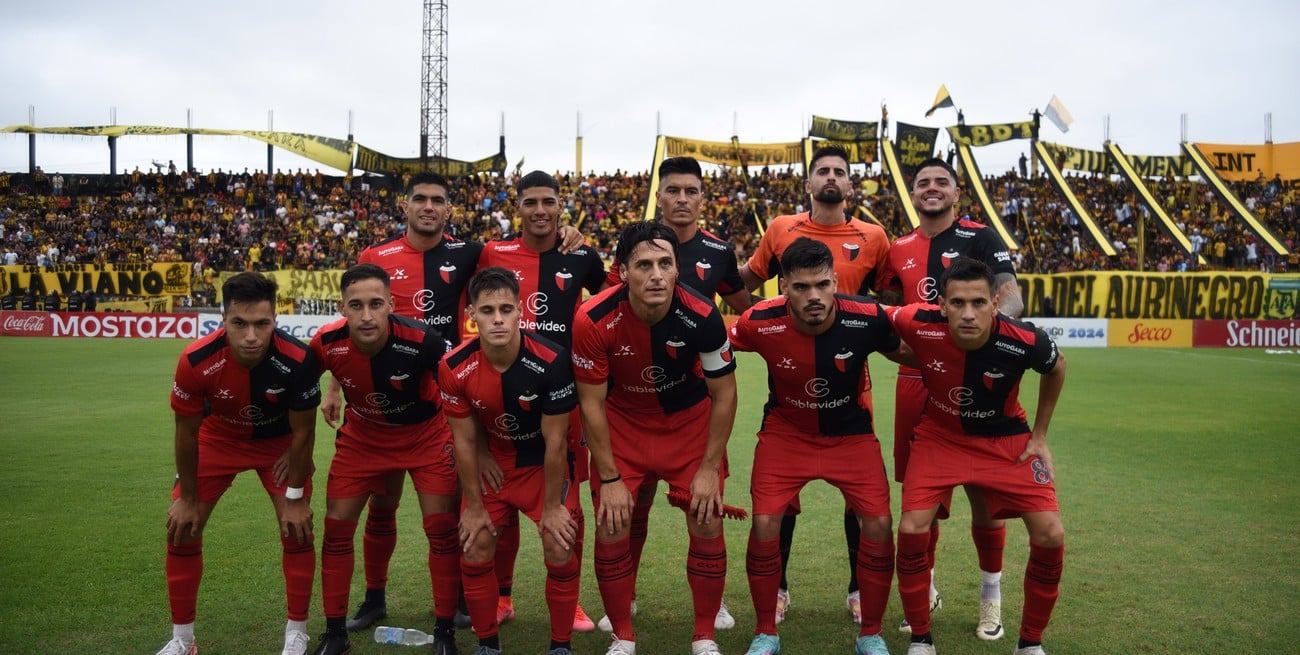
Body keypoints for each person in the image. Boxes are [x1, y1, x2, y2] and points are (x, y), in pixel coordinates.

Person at [326, 172, 584, 633]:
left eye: (437, 200)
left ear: (449, 210)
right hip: (382, 405)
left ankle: (468, 601)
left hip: (444, 397)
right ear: (405, 206)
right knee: (383, 505)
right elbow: (354, 319)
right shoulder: (374, 256)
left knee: (455, 512)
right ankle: (375, 597)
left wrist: (565, 233)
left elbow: (526, 252)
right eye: (419, 199)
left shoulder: (471, 253)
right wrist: (333, 384)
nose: (428, 206)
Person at [729, 237, 913, 655]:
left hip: (851, 436)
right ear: (784, 287)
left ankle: (871, 634)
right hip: (786, 434)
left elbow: (909, 353)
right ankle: (765, 633)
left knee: (879, 525)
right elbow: (712, 344)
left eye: (822, 284)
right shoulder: (760, 320)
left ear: (834, 281)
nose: (814, 296)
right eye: (801, 287)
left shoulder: (867, 317)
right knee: (765, 523)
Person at [596, 156, 751, 634]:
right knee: (630, 506)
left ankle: (712, 602)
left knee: (704, 508)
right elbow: (611, 309)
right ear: (659, 196)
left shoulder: (718, 252)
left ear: (702, 198)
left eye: (691, 191)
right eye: (673, 190)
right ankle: (625, 595)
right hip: (631, 404)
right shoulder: (634, 245)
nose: (682, 199)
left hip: (692, 405)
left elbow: (744, 307)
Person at [738, 145, 891, 624]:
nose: (830, 177)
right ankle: (778, 588)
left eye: (839, 171)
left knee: (860, 497)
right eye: (822, 170)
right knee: (780, 499)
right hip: (792, 377)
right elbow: (745, 281)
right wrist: (763, 323)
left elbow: (890, 299)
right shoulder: (781, 228)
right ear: (808, 182)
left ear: (850, 183)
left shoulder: (873, 236)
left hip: (852, 382)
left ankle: (858, 589)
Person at [572, 221, 738, 655]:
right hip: (623, 426)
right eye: (644, 265)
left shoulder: (703, 315)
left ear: (678, 268)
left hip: (688, 427)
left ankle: (704, 635)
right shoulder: (592, 319)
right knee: (613, 523)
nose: (657, 275)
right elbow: (590, 404)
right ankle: (623, 636)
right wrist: (610, 479)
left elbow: (725, 395)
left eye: (666, 263)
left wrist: (709, 469)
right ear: (623, 271)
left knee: (706, 518)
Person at [887, 257, 1067, 655]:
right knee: (912, 528)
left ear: (995, 303)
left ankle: (1029, 643)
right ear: (941, 304)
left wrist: (1039, 435)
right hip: (940, 437)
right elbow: (870, 317)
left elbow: (1057, 367)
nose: (968, 313)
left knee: (1051, 534)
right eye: (958, 303)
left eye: (979, 303)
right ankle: (921, 639)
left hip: (1005, 439)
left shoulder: (1025, 339)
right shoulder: (917, 321)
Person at [877, 157, 1023, 639]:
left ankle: (991, 597)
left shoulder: (981, 237)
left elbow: (1011, 298)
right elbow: (886, 317)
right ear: (913, 193)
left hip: (975, 378)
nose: (932, 188)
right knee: (923, 499)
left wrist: (981, 342)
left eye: (942, 181)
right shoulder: (898, 248)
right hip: (916, 382)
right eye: (923, 183)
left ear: (957, 193)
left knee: (986, 497)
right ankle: (926, 590)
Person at [157, 272, 319, 655]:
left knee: (297, 529)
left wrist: (296, 496)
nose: (251, 336)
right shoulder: (196, 360)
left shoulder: (298, 359)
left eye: (262, 324)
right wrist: (188, 498)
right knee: (182, 529)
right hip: (218, 439)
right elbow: (186, 434)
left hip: (277, 445)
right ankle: (183, 641)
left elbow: (304, 432)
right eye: (239, 323)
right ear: (223, 319)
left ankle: (296, 633)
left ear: (275, 318)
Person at [307, 264, 460, 655]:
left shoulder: (424, 341)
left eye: (376, 304)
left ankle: (445, 631)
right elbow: (297, 391)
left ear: (391, 304)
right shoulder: (326, 342)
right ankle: (339, 630)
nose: (366, 315)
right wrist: (331, 390)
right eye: (356, 305)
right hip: (365, 436)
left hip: (425, 436)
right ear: (342, 308)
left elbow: (459, 390)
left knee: (441, 528)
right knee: (337, 527)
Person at [476, 171, 605, 632]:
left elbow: (612, 304)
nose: (539, 211)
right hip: (500, 399)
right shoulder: (492, 253)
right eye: (530, 202)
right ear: (518, 207)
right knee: (500, 502)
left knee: (570, 507)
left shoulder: (582, 255)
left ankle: (572, 601)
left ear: (560, 205)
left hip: (562, 400)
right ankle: (502, 596)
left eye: (548, 201)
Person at [439, 267, 584, 655]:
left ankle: (560, 646)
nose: (498, 319)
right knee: (475, 544)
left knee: (559, 544)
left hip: (543, 466)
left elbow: (556, 442)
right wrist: (473, 507)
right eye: (487, 311)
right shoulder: (453, 366)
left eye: (506, 309)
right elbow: (464, 439)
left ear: (521, 310)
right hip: (496, 465)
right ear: (472, 315)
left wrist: (552, 507)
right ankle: (488, 644)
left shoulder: (552, 360)